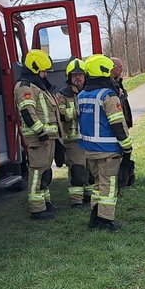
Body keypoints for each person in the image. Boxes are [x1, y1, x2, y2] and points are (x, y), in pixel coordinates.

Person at [78, 54, 133, 231]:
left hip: (90, 150)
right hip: (108, 150)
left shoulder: (82, 95)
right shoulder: (108, 96)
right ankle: (106, 220)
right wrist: (127, 146)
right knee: (109, 186)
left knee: (97, 184)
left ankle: (94, 216)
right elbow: (118, 124)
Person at [16, 49, 60, 220]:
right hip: (38, 138)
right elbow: (27, 112)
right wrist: (41, 132)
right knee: (37, 172)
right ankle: (37, 209)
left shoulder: (37, 86)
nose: (45, 73)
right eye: (43, 70)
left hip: (47, 137)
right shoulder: (25, 87)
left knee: (45, 171)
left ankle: (45, 203)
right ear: (35, 69)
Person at [55, 58, 92, 208]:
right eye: (74, 75)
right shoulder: (62, 94)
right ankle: (76, 201)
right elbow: (60, 113)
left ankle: (88, 196)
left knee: (90, 170)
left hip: (89, 138)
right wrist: (79, 110)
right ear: (69, 77)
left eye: (80, 75)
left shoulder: (90, 91)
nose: (78, 78)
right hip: (73, 139)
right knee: (77, 170)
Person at [109, 56, 136, 188]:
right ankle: (119, 179)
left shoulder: (118, 81)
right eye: (119, 67)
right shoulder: (110, 83)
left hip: (123, 120)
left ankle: (124, 177)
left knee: (124, 150)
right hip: (116, 123)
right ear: (111, 68)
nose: (122, 69)